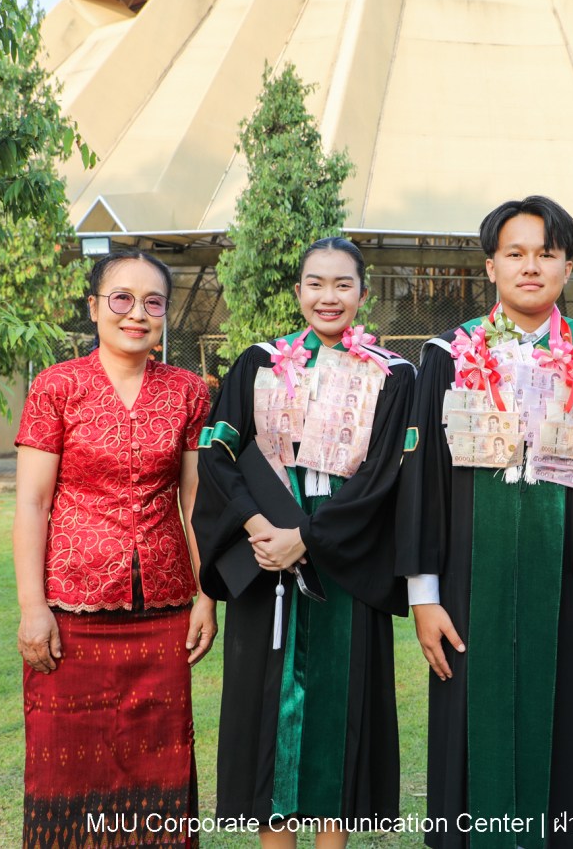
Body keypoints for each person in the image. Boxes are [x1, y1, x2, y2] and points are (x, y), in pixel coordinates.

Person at [397, 196, 573, 847]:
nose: (531, 266)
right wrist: (423, 596)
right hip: (465, 589)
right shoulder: (447, 358)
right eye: (515, 253)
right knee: (466, 734)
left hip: (568, 587)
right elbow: (421, 476)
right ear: (490, 266)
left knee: (560, 733)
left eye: (546, 253)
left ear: (568, 267)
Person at [193, 237, 414, 849]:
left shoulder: (393, 375)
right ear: (298, 292)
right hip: (263, 545)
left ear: (363, 294)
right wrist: (257, 527)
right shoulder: (256, 364)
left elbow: (386, 474)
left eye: (343, 284)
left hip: (347, 550)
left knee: (340, 716)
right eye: (315, 283)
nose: (329, 296)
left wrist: (309, 539)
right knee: (267, 708)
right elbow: (217, 450)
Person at [13, 249, 214, 848]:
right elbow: (32, 503)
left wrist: (207, 596)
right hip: (71, 613)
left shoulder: (187, 393)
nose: (137, 314)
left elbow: (196, 503)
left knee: (161, 768)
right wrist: (32, 607)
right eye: (121, 299)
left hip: (163, 612)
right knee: (64, 765)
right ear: (95, 306)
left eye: (153, 302)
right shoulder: (58, 386)